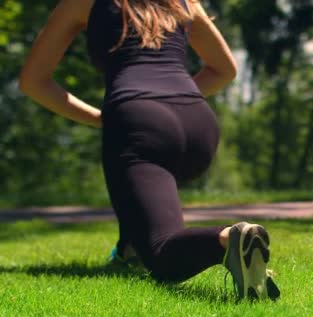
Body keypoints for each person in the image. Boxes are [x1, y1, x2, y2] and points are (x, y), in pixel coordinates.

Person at [18, 0, 279, 300]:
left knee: (161, 250)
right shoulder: (182, 1)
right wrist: (174, 101)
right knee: (142, 202)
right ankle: (129, 251)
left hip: (139, 121)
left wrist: (103, 118)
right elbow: (224, 69)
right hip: (198, 123)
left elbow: (33, 81)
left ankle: (231, 240)